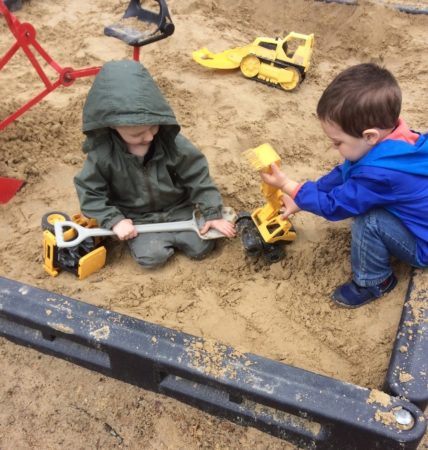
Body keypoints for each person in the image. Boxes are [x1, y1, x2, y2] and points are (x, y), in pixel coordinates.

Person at [261, 63, 428, 308]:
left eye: (337, 142)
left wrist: (289, 185)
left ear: (370, 136)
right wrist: (303, 196)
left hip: (423, 244)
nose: (334, 147)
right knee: (359, 190)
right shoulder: (397, 140)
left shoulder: (380, 173)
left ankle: (375, 281)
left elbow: (334, 207)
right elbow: (345, 172)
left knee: (369, 221)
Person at [74, 60, 235, 269]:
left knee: (201, 248)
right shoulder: (103, 155)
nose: (149, 137)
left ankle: (179, 231)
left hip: (178, 208)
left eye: (153, 127)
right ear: (111, 126)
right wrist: (114, 220)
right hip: (137, 218)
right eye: (137, 134)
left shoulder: (172, 144)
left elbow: (198, 176)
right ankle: (152, 239)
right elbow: (90, 191)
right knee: (153, 257)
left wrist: (212, 213)